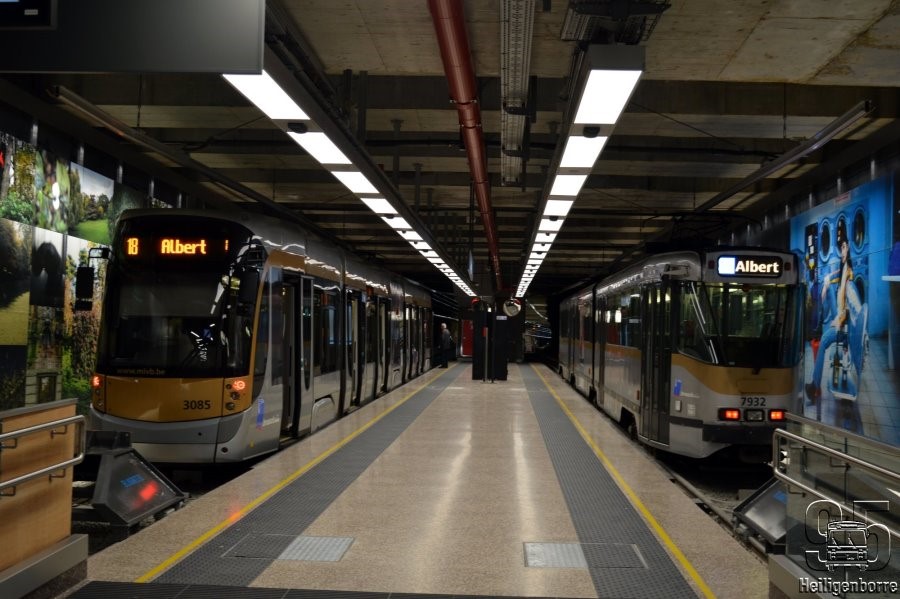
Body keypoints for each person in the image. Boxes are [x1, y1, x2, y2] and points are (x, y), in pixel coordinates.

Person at [806, 218, 854, 402]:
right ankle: (819, 323)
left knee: (825, 341)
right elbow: (837, 279)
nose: (842, 250)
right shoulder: (844, 268)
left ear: (849, 248)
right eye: (841, 247)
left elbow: (851, 307)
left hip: (845, 326)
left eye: (844, 247)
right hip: (839, 314)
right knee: (827, 286)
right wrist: (827, 282)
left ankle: (814, 385)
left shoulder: (849, 273)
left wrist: (839, 321)